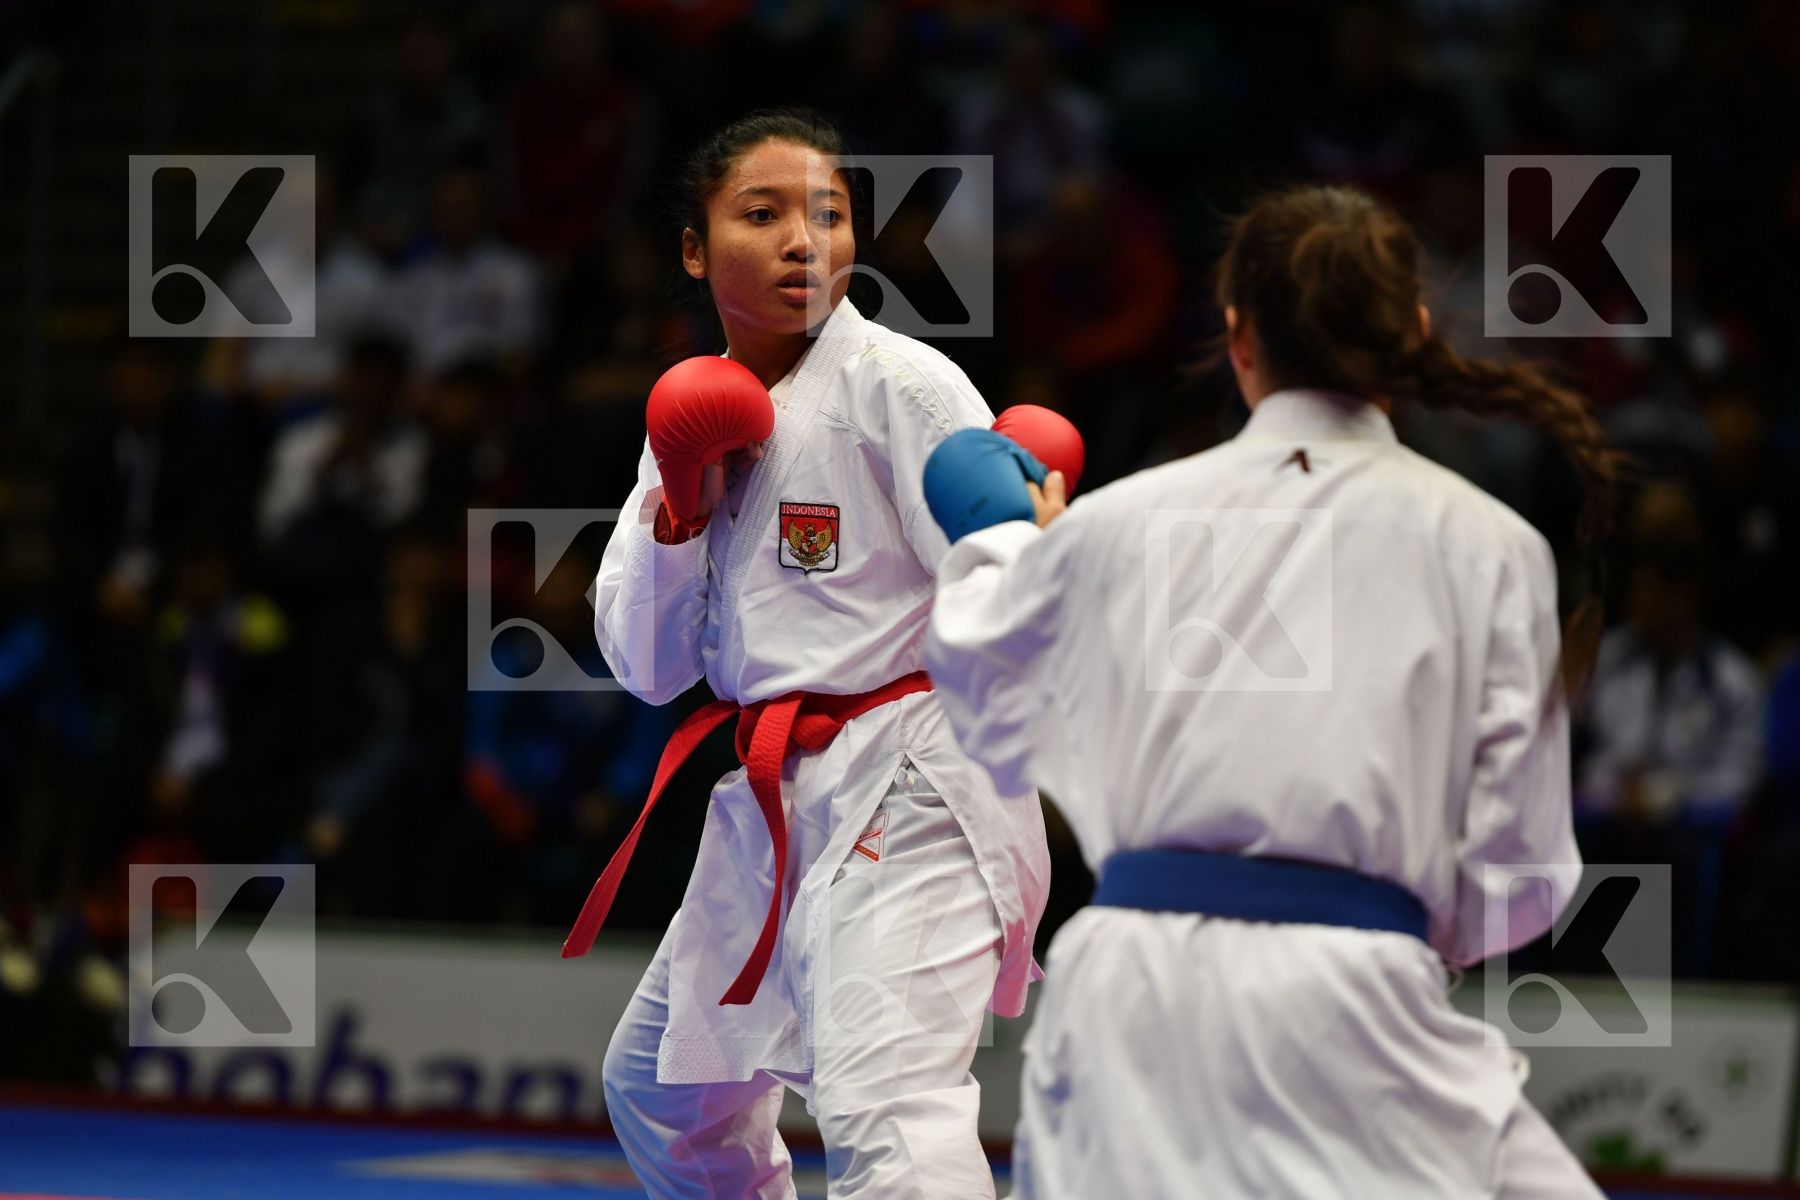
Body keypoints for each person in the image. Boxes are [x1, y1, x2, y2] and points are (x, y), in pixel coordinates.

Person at [923, 184, 1617, 1198]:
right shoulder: (1494, 546)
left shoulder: (1121, 521)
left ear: (1237, 336)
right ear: (1415, 334)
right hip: (1360, 988)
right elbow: (1520, 867)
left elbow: (985, 698)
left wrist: (1007, 539)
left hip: (1134, 981)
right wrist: (1404, 924)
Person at [574, 108, 1049, 1199]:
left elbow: (1008, 599)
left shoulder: (902, 386)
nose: (805, 240)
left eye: (827, 215)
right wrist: (681, 513)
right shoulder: (688, 420)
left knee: (890, 1103)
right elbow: (644, 667)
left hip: (913, 776)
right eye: (764, 213)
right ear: (694, 249)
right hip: (776, 791)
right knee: (662, 1089)